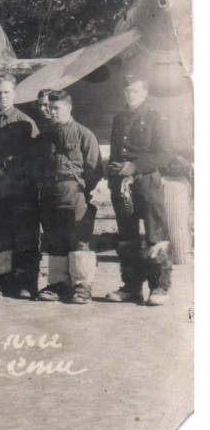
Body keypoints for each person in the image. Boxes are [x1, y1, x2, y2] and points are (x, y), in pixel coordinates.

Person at [107, 76, 174, 305]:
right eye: (127, 90)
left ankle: (159, 287)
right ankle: (131, 287)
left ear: (145, 92)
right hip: (123, 185)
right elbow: (116, 152)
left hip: (147, 184)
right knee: (127, 238)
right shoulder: (119, 118)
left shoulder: (157, 118)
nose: (131, 95)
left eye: (135, 91)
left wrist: (134, 167)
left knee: (155, 236)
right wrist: (114, 179)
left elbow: (164, 155)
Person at [34, 90, 102, 304]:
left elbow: (94, 169)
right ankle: (58, 284)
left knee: (79, 242)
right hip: (50, 197)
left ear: (69, 108)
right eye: (50, 108)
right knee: (55, 242)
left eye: (57, 108)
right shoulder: (44, 137)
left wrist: (79, 190)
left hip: (75, 197)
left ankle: (82, 286)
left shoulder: (84, 134)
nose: (52, 112)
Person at [0, 73, 40, 299]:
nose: (2, 96)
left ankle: (25, 283)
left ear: (14, 94)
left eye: (6, 92)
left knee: (23, 235)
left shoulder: (25, 122)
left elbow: (34, 159)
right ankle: (0, 281)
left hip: (19, 189)